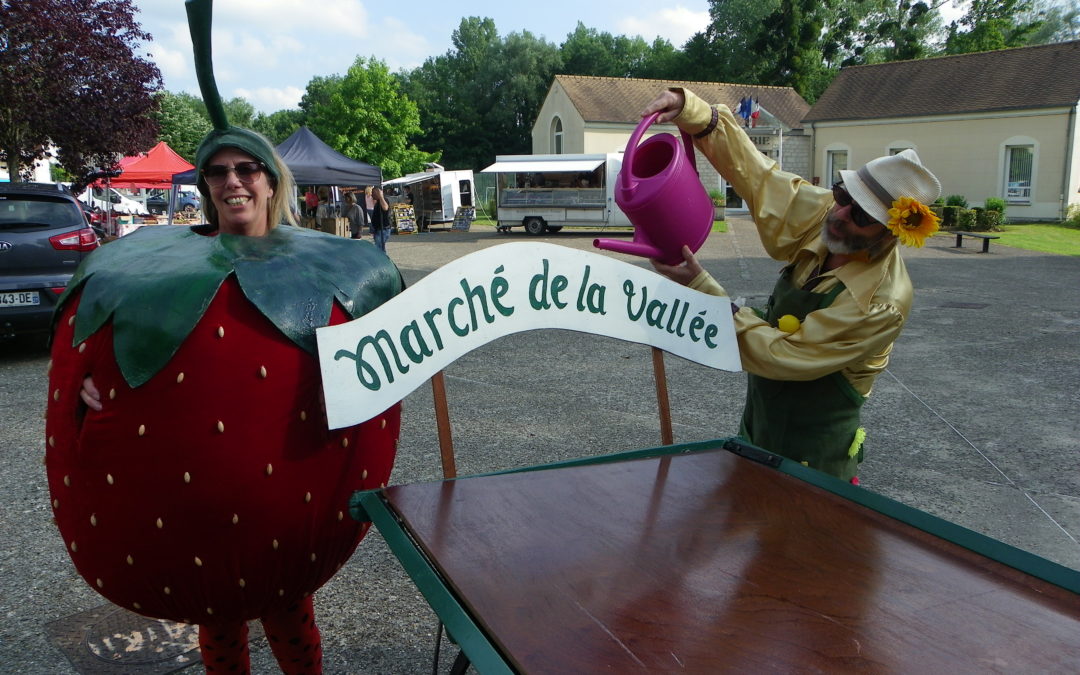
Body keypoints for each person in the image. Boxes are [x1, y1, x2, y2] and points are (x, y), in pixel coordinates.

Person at [59, 125, 403, 674]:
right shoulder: (147, 271)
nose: (233, 181)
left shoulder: (332, 267)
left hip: (288, 502)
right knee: (216, 617)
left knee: (291, 614)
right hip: (200, 510)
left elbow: (380, 365)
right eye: (218, 172)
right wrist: (85, 379)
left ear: (271, 182)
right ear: (204, 186)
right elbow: (87, 349)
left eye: (247, 170)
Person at [646, 88, 941, 482]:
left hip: (816, 461)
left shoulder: (880, 301)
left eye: (861, 215)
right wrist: (696, 114)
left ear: (892, 233)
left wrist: (707, 294)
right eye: (842, 194)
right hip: (758, 430)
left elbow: (784, 356)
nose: (840, 214)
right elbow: (760, 176)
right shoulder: (829, 213)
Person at [370, 185, 392, 253]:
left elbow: (385, 208)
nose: (371, 195)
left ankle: (384, 262)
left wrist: (381, 196)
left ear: (378, 193)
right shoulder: (378, 202)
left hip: (383, 229)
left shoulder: (384, 200)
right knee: (380, 248)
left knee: (380, 249)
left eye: (373, 193)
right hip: (378, 229)